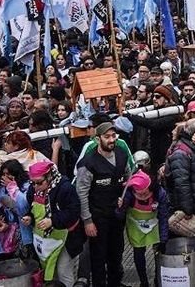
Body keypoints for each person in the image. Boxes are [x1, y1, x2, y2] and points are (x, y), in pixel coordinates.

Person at [75, 121, 130, 287]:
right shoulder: (88, 163)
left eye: (114, 136)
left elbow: (128, 178)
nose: (111, 140)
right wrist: (87, 221)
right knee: (99, 256)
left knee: (117, 252)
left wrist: (125, 197)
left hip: (117, 215)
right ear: (98, 139)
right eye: (107, 137)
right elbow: (81, 193)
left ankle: (115, 282)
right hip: (97, 217)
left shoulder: (121, 154)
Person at [26, 160, 83, 286]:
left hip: (68, 238)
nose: (35, 186)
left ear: (49, 176)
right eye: (32, 183)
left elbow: (73, 212)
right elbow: (32, 208)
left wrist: (52, 221)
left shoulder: (65, 188)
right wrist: (30, 217)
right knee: (50, 271)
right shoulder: (33, 190)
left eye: (39, 183)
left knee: (64, 271)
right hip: (45, 239)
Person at [120, 170, 169, 287]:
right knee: (138, 253)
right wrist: (120, 207)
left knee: (159, 253)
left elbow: (163, 216)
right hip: (135, 225)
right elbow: (119, 216)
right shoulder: (128, 194)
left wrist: (163, 238)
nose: (142, 196)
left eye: (145, 193)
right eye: (139, 194)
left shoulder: (160, 193)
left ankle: (158, 280)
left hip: (154, 223)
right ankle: (144, 282)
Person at [166, 118, 195, 238]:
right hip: (183, 210)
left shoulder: (193, 147)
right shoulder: (181, 153)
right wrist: (188, 209)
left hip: (194, 204)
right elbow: (182, 183)